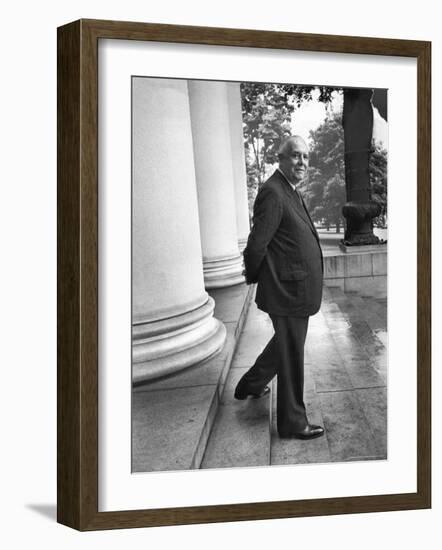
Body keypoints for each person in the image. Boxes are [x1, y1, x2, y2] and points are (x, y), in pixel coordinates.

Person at [234, 135, 324, 440]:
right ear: (281, 158)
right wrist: (257, 277)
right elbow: (257, 244)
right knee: (291, 354)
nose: (302, 163)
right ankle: (292, 423)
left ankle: (251, 384)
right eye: (295, 156)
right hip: (288, 291)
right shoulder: (273, 192)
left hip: (294, 288)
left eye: (306, 157)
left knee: (284, 345)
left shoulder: (290, 189)